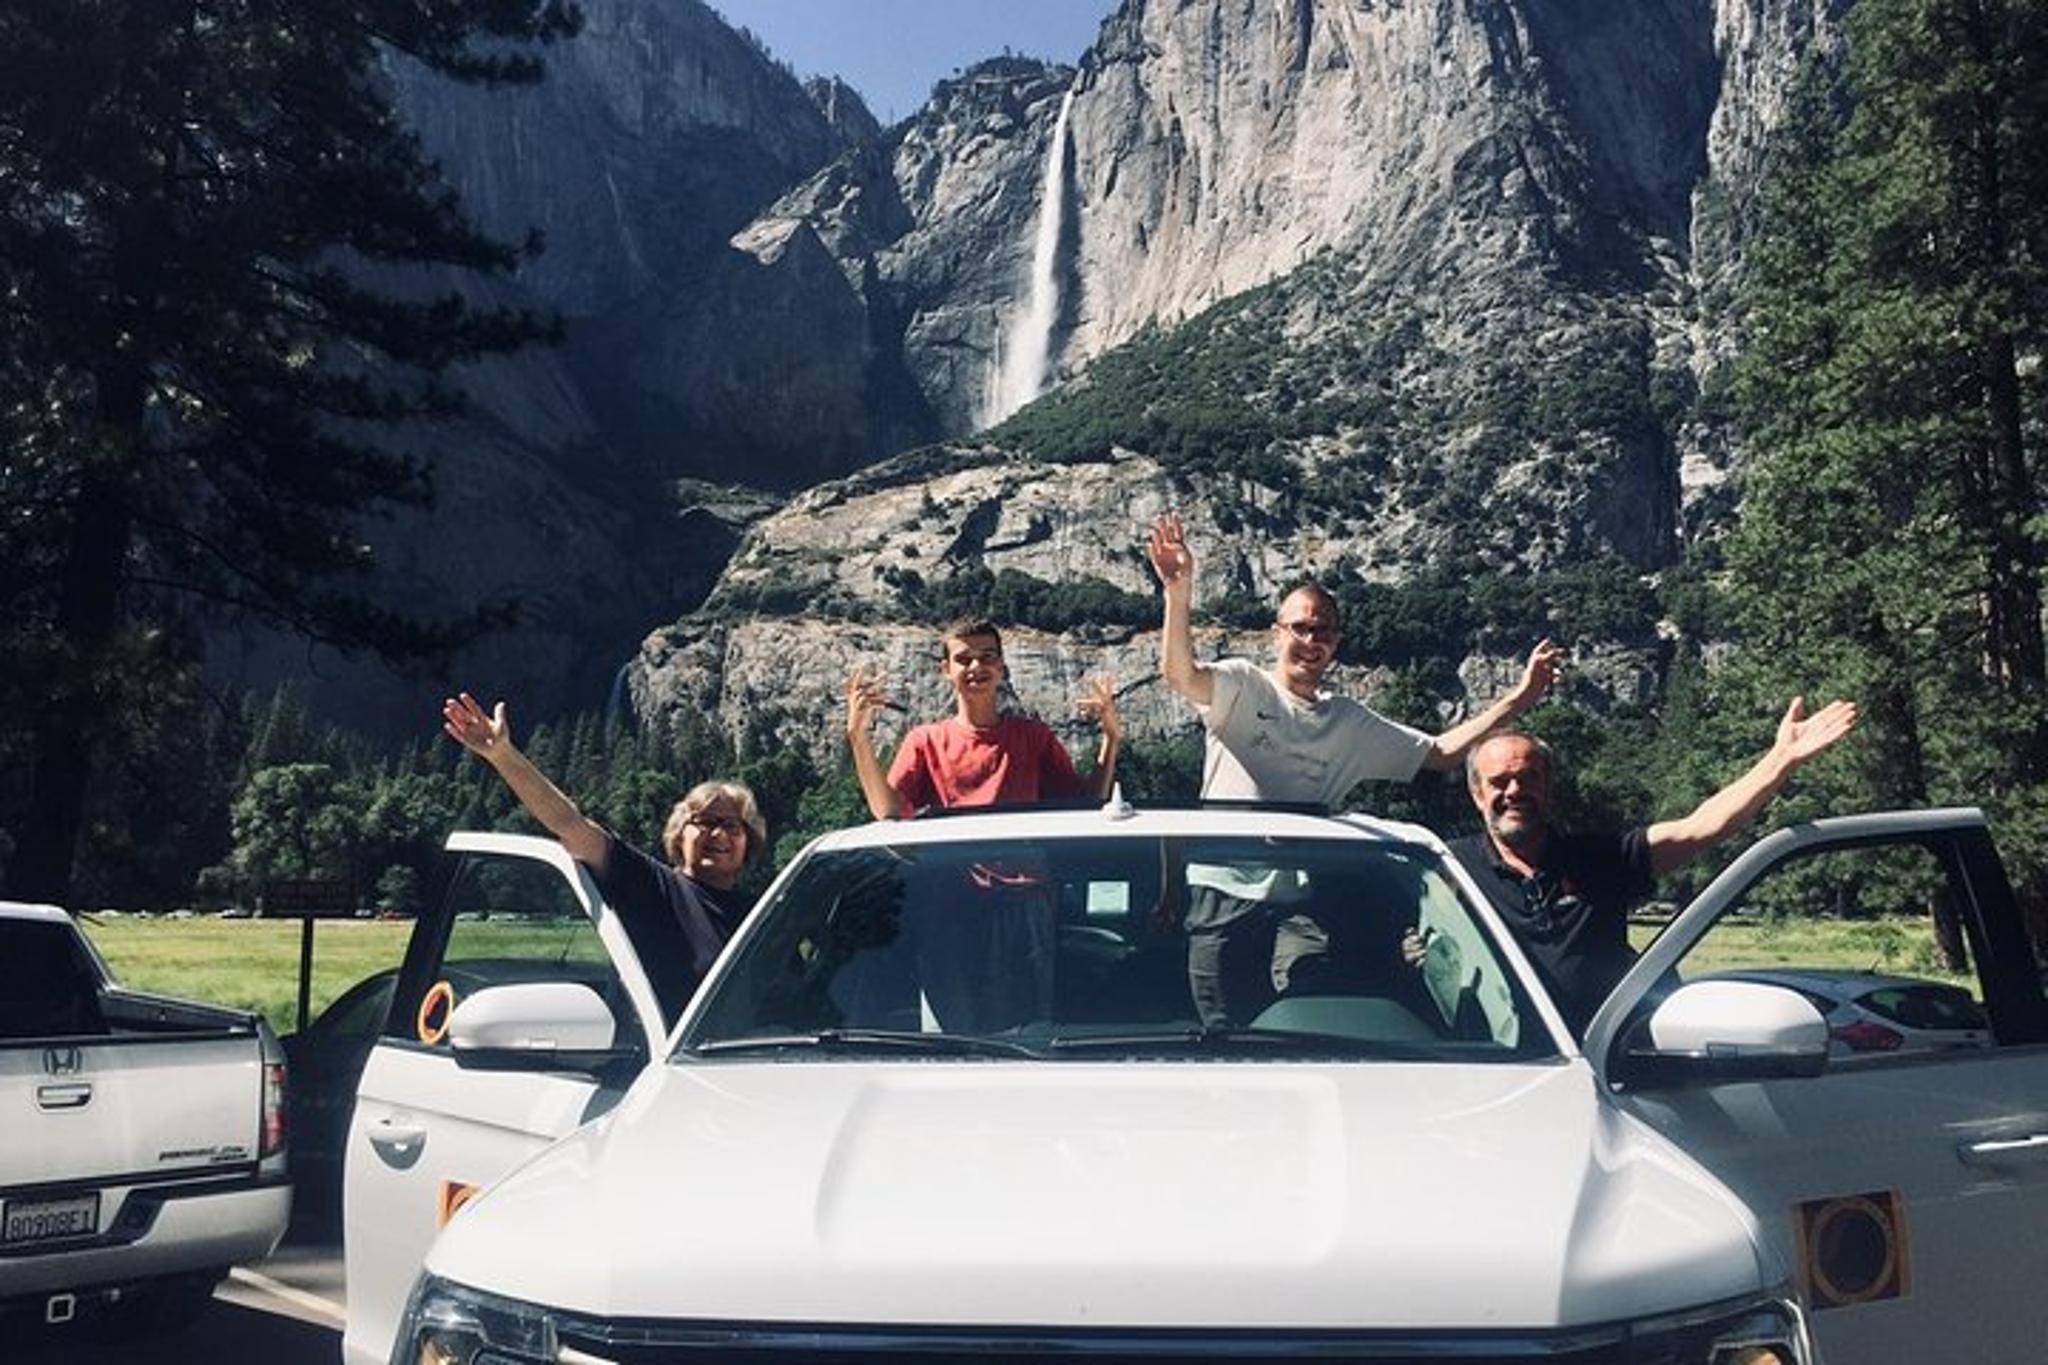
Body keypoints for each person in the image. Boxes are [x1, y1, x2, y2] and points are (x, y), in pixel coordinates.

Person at [1144, 511, 1562, 1025]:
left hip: (1305, 903)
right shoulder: (1241, 686)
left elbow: (1441, 753)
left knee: (1313, 1028)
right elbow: (1180, 675)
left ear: (1336, 643)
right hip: (1224, 894)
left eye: (1323, 631)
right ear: (1277, 633)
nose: (1310, 640)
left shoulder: (1348, 721)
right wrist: (1178, 592)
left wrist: (1519, 699)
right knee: (1225, 1035)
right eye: (1299, 628)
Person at [1449, 697, 1859, 1034]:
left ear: (1548, 786)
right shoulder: (1448, 868)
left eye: (1528, 778)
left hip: (1606, 1062)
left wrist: (1781, 759)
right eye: (1500, 781)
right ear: (1476, 794)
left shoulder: (1599, 857)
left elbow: (1702, 826)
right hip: (1496, 1067)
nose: (1515, 791)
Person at [440, 691, 763, 1020]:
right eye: (705, 822)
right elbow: (571, 826)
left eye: (732, 825)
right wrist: (503, 755)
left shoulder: (766, 917)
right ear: (680, 833)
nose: (719, 834)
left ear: (749, 841)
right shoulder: (654, 886)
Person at [844, 618, 1121, 819]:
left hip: (1026, 893)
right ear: (946, 670)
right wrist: (859, 738)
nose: (976, 666)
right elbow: (888, 811)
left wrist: (1111, 738)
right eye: (964, 659)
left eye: (987, 657)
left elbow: (1086, 804)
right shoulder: (925, 742)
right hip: (950, 889)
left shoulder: (1033, 737)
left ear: (1001, 666)